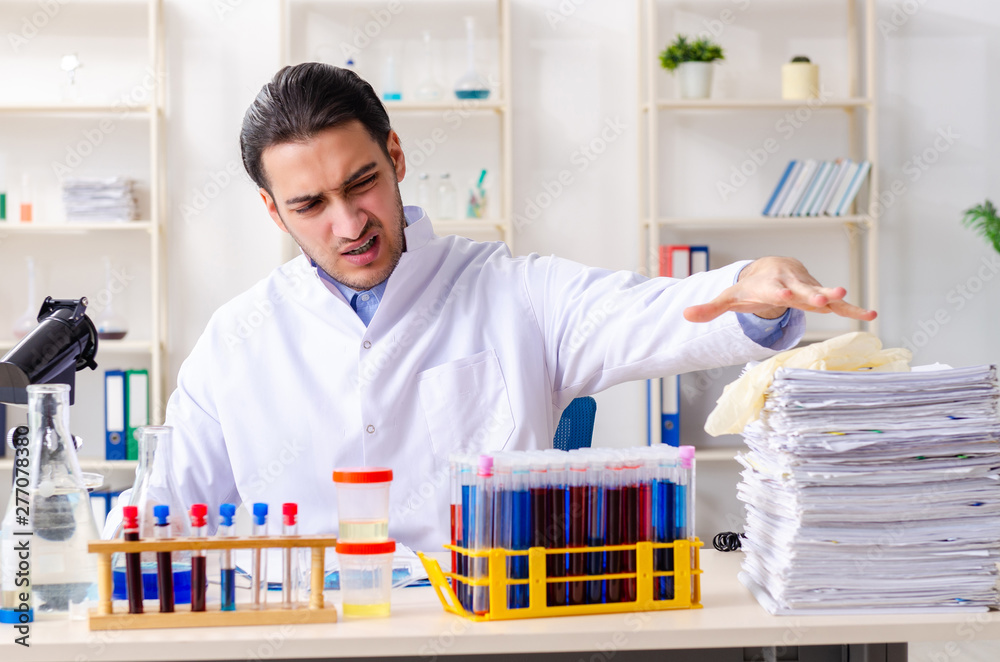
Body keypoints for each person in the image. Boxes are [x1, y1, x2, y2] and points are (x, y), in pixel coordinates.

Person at [107, 63, 875, 550]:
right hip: (312, 631)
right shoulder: (238, 338)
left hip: (485, 627)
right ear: (276, 214)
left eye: (362, 183)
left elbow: (650, 312)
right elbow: (162, 506)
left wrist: (747, 286)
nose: (348, 224)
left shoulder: (512, 292)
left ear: (396, 158)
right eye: (311, 204)